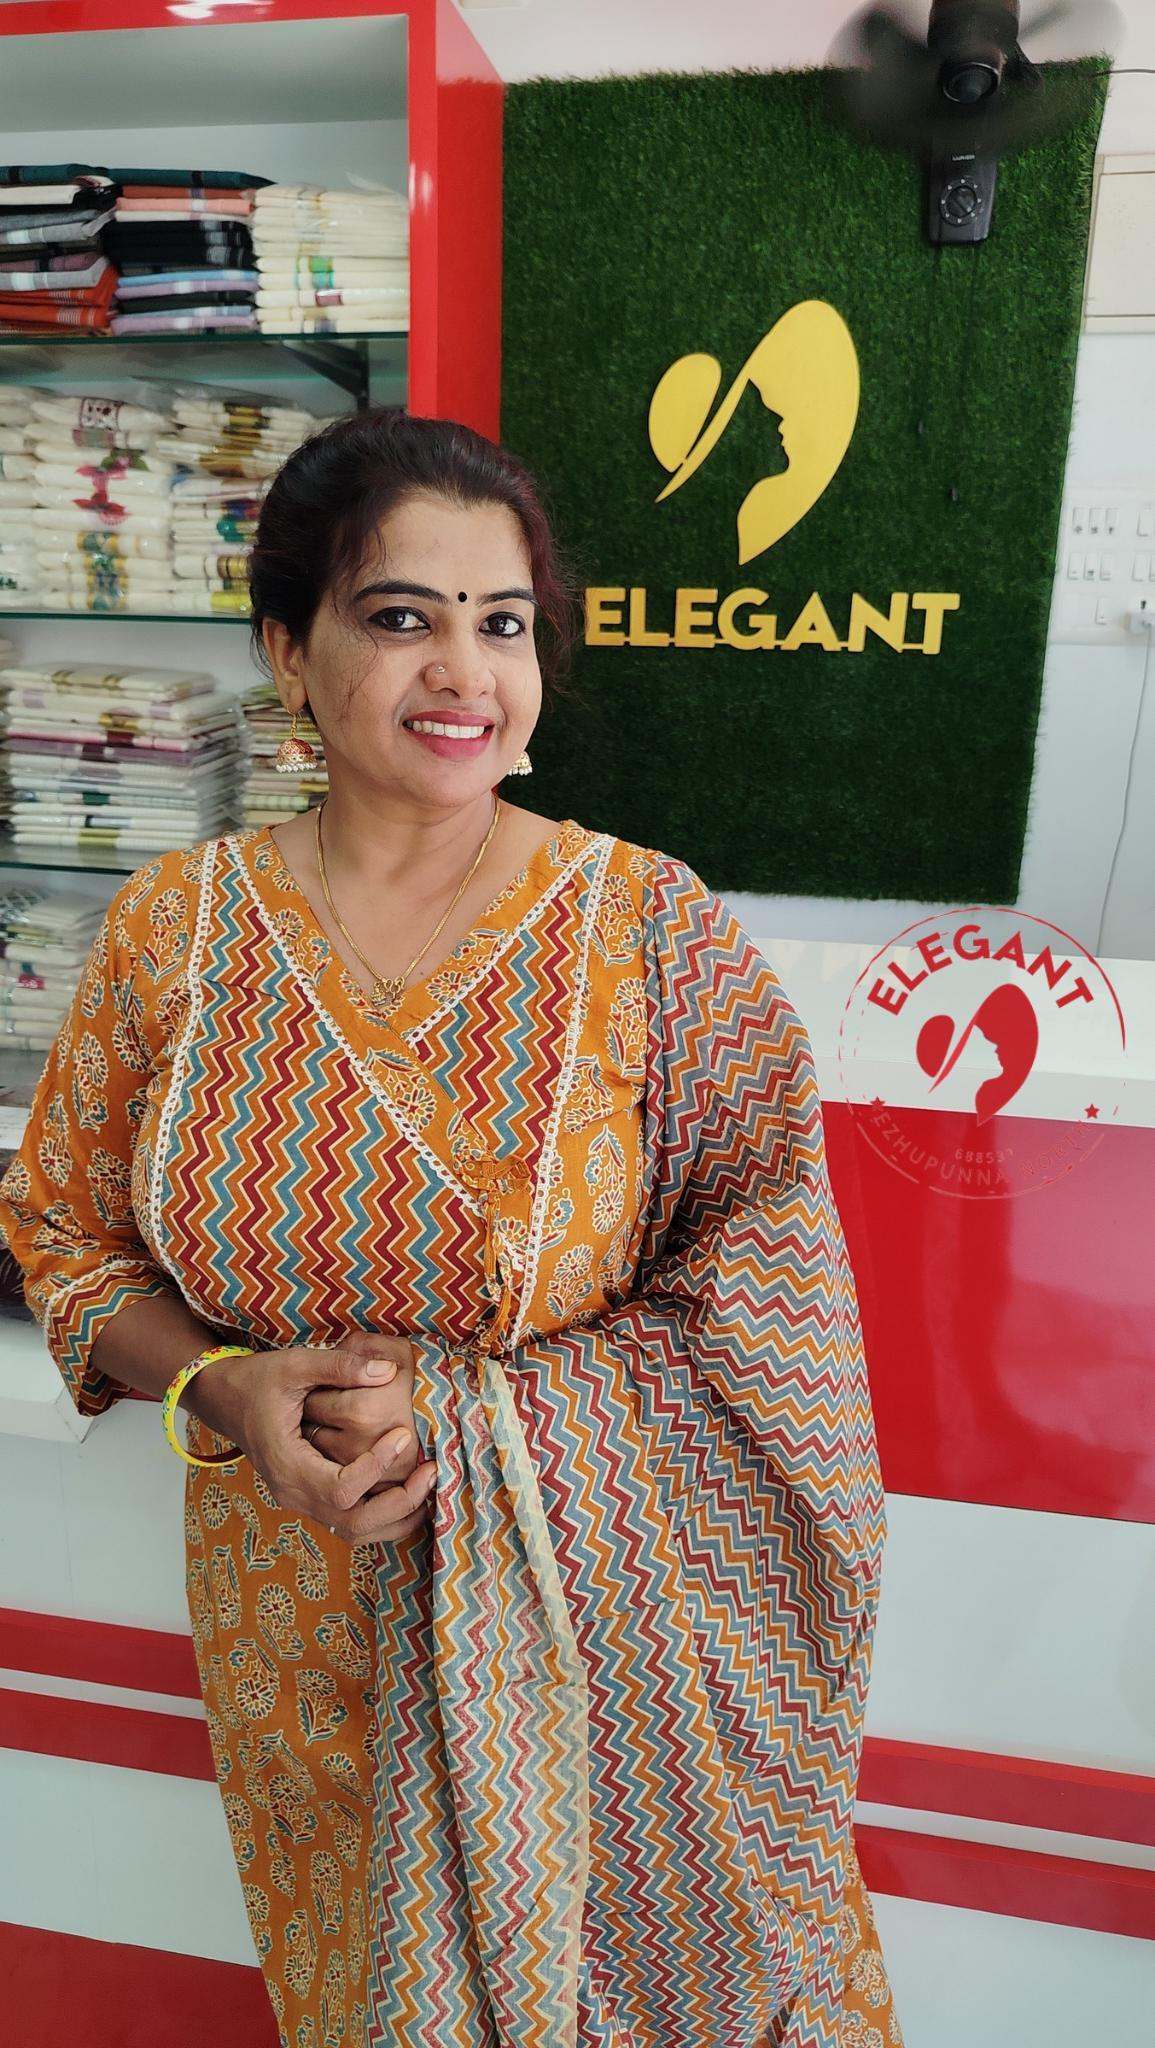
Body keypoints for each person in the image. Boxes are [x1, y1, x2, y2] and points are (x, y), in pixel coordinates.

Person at [0, 407, 899, 2048]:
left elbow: (777, 1287)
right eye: (400, 617)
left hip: (610, 1660)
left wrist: (495, 1424)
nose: (461, 672)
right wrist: (223, 1390)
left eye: (503, 625)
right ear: (290, 649)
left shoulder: (651, 932)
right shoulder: (170, 937)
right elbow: (59, 1234)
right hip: (302, 1637)